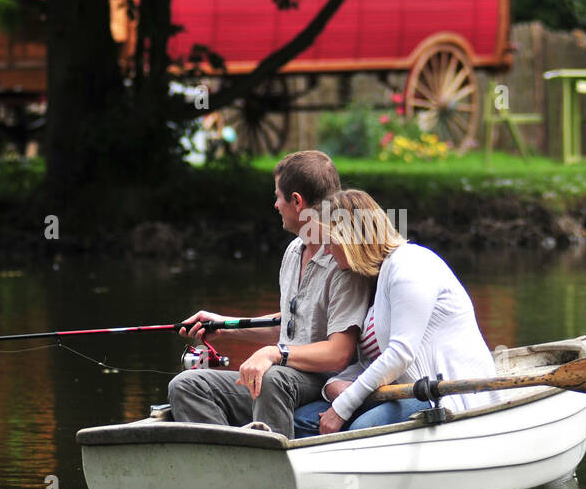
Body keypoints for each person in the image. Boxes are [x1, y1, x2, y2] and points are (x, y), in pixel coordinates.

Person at [168, 151, 372, 437]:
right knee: (187, 385)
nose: (275, 205)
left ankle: (268, 467)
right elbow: (290, 324)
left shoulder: (343, 262)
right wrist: (224, 327)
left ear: (297, 202)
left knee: (272, 377)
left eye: (278, 197)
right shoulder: (293, 251)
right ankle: (226, 463)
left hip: (322, 380)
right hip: (285, 373)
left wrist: (274, 355)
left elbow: (339, 354)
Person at [293, 189, 501, 436]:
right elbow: (370, 361)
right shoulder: (376, 277)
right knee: (302, 419)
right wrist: (332, 386)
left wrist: (342, 408)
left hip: (445, 394)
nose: (326, 251)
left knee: (362, 429)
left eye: (329, 241)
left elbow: (400, 354)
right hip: (405, 391)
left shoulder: (410, 266)